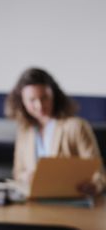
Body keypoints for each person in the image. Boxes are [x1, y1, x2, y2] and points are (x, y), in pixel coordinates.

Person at [5, 67, 104, 195]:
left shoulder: (76, 127)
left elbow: (98, 173)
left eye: (44, 98)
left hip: (71, 202)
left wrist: (94, 185)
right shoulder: (25, 131)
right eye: (32, 100)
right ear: (22, 101)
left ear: (54, 95)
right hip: (35, 203)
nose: (39, 105)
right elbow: (18, 173)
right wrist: (27, 177)